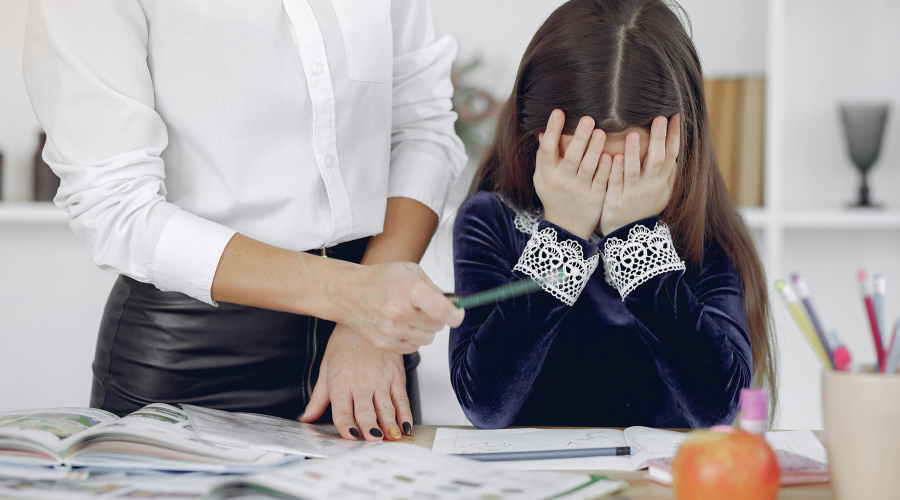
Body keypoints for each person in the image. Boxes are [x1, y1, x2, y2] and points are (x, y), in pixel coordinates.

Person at [23, 0, 466, 441]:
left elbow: (422, 128)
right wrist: (353, 296)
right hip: (196, 359)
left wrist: (366, 320)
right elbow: (117, 206)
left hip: (370, 349)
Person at [449, 0, 776, 429]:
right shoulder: (492, 220)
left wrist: (635, 238)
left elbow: (718, 407)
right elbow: (485, 405)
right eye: (583, 162)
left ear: (679, 150)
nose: (604, 187)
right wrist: (563, 232)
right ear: (537, 140)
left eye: (629, 166)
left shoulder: (702, 231)